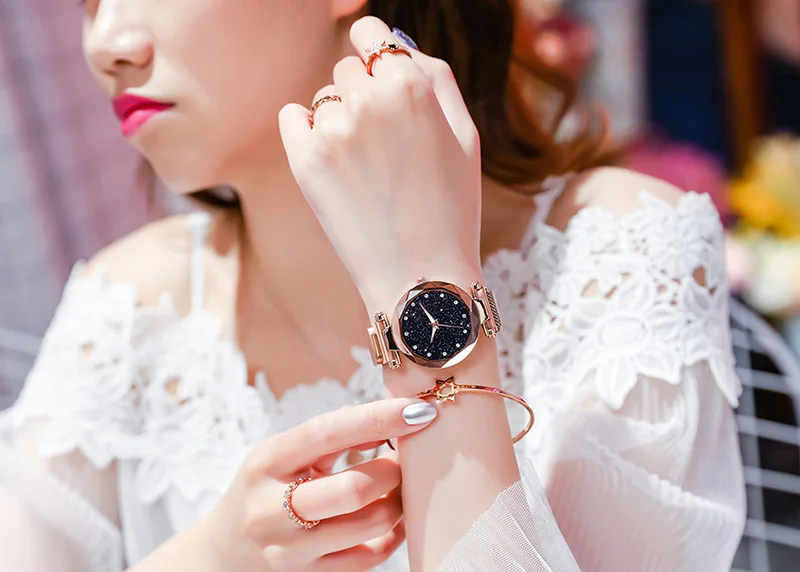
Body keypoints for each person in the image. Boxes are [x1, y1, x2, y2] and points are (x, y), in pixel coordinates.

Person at [0, 1, 746, 571]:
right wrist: (214, 556)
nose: (106, 44)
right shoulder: (127, 304)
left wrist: (423, 274)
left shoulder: (619, 252)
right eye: (88, 2)